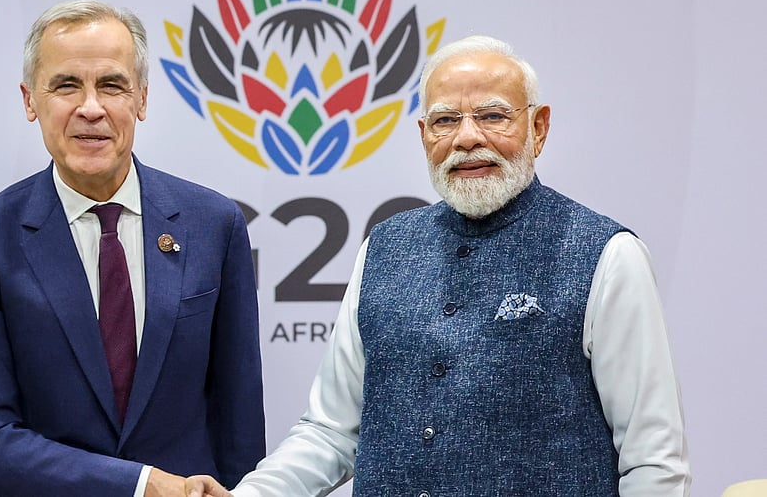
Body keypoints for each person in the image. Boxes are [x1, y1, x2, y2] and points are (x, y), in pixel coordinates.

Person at [227, 35, 691, 496]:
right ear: (424, 134)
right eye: (445, 120)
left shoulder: (607, 254)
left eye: (493, 116)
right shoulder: (383, 247)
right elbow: (331, 431)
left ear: (539, 128)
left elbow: (652, 460)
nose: (467, 138)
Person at [0, 0, 264, 497]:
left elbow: (238, 420)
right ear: (30, 101)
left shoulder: (213, 224)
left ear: (142, 99)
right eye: (66, 85)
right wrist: (140, 485)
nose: (91, 107)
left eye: (111, 85)